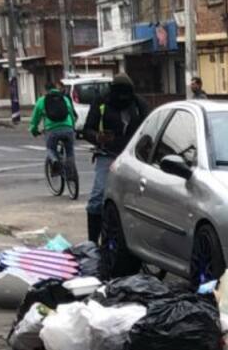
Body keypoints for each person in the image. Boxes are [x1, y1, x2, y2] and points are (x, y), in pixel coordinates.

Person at [80, 73, 149, 244]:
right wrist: (98, 137)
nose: (123, 98)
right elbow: (87, 130)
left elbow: (150, 129)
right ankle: (92, 243)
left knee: (139, 200)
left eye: (126, 93)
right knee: (98, 197)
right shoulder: (102, 102)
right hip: (107, 154)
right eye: (119, 93)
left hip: (134, 158)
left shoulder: (139, 104)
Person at [29, 81, 77, 181]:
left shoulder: (42, 101)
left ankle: (55, 161)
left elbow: (35, 118)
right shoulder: (64, 99)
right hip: (68, 128)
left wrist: (34, 130)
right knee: (70, 152)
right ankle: (71, 174)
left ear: (45, 90)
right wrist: (72, 127)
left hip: (52, 130)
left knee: (50, 149)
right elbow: (71, 114)